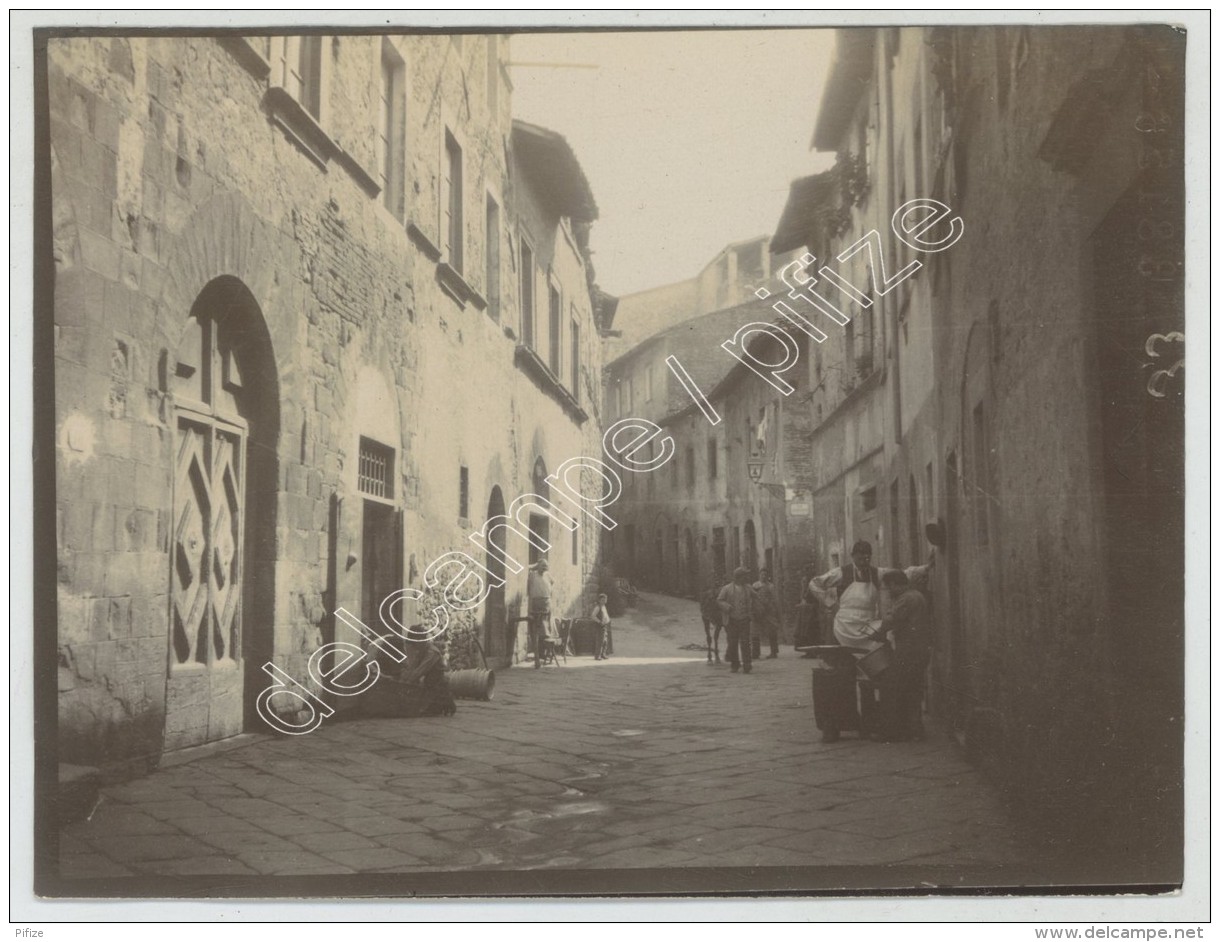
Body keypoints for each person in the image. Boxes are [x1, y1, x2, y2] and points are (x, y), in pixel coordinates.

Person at [869, 570, 931, 741]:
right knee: (913, 689)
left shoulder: (906, 598)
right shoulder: (917, 595)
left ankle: (891, 731)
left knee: (892, 688)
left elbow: (891, 619)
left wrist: (877, 634)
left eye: (889, 587)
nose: (888, 591)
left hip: (909, 651)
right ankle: (915, 730)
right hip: (921, 650)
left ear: (895, 584)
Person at [809, 540, 886, 652]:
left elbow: (900, 575)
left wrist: (920, 570)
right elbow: (814, 584)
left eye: (867, 559)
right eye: (860, 559)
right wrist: (831, 604)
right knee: (845, 656)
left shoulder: (877, 573)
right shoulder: (841, 573)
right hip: (845, 625)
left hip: (868, 624)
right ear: (853, 556)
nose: (864, 562)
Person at [717, 567, 755, 674]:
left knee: (745, 643)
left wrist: (755, 605)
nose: (746, 578)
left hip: (744, 619)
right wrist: (726, 606)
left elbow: (755, 597)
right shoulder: (727, 588)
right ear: (738, 577)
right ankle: (735, 664)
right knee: (733, 643)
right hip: (731, 620)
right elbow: (719, 600)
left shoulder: (748, 588)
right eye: (744, 576)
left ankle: (747, 664)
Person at [527, 558, 554, 669]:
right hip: (536, 605)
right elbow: (525, 567)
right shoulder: (533, 575)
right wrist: (535, 565)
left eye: (546, 566)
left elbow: (552, 583)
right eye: (542, 566)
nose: (544, 568)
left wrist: (549, 597)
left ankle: (544, 655)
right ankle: (537, 658)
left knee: (546, 631)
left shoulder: (548, 575)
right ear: (537, 566)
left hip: (546, 605)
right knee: (536, 632)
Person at [751, 568, 780, 659]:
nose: (763, 576)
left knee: (772, 631)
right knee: (755, 631)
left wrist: (773, 609)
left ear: (767, 576)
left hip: (768, 611)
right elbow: (752, 598)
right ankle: (755, 653)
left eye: (765, 575)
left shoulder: (771, 586)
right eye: (762, 574)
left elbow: (774, 598)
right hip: (757, 611)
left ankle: (774, 652)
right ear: (759, 575)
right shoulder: (755, 585)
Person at [699, 577, 724, 664]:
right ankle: (711, 653)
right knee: (709, 633)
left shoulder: (722, 590)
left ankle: (715, 653)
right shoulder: (708, 593)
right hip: (708, 612)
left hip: (717, 613)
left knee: (717, 632)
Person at [592, 592, 613, 660]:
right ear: (599, 600)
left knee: (605, 641)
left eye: (605, 600)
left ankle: (603, 654)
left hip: (605, 625)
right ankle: (597, 656)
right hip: (600, 626)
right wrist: (599, 622)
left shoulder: (604, 607)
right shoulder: (598, 607)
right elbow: (593, 616)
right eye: (602, 600)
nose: (604, 601)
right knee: (600, 641)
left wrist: (608, 621)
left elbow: (605, 615)